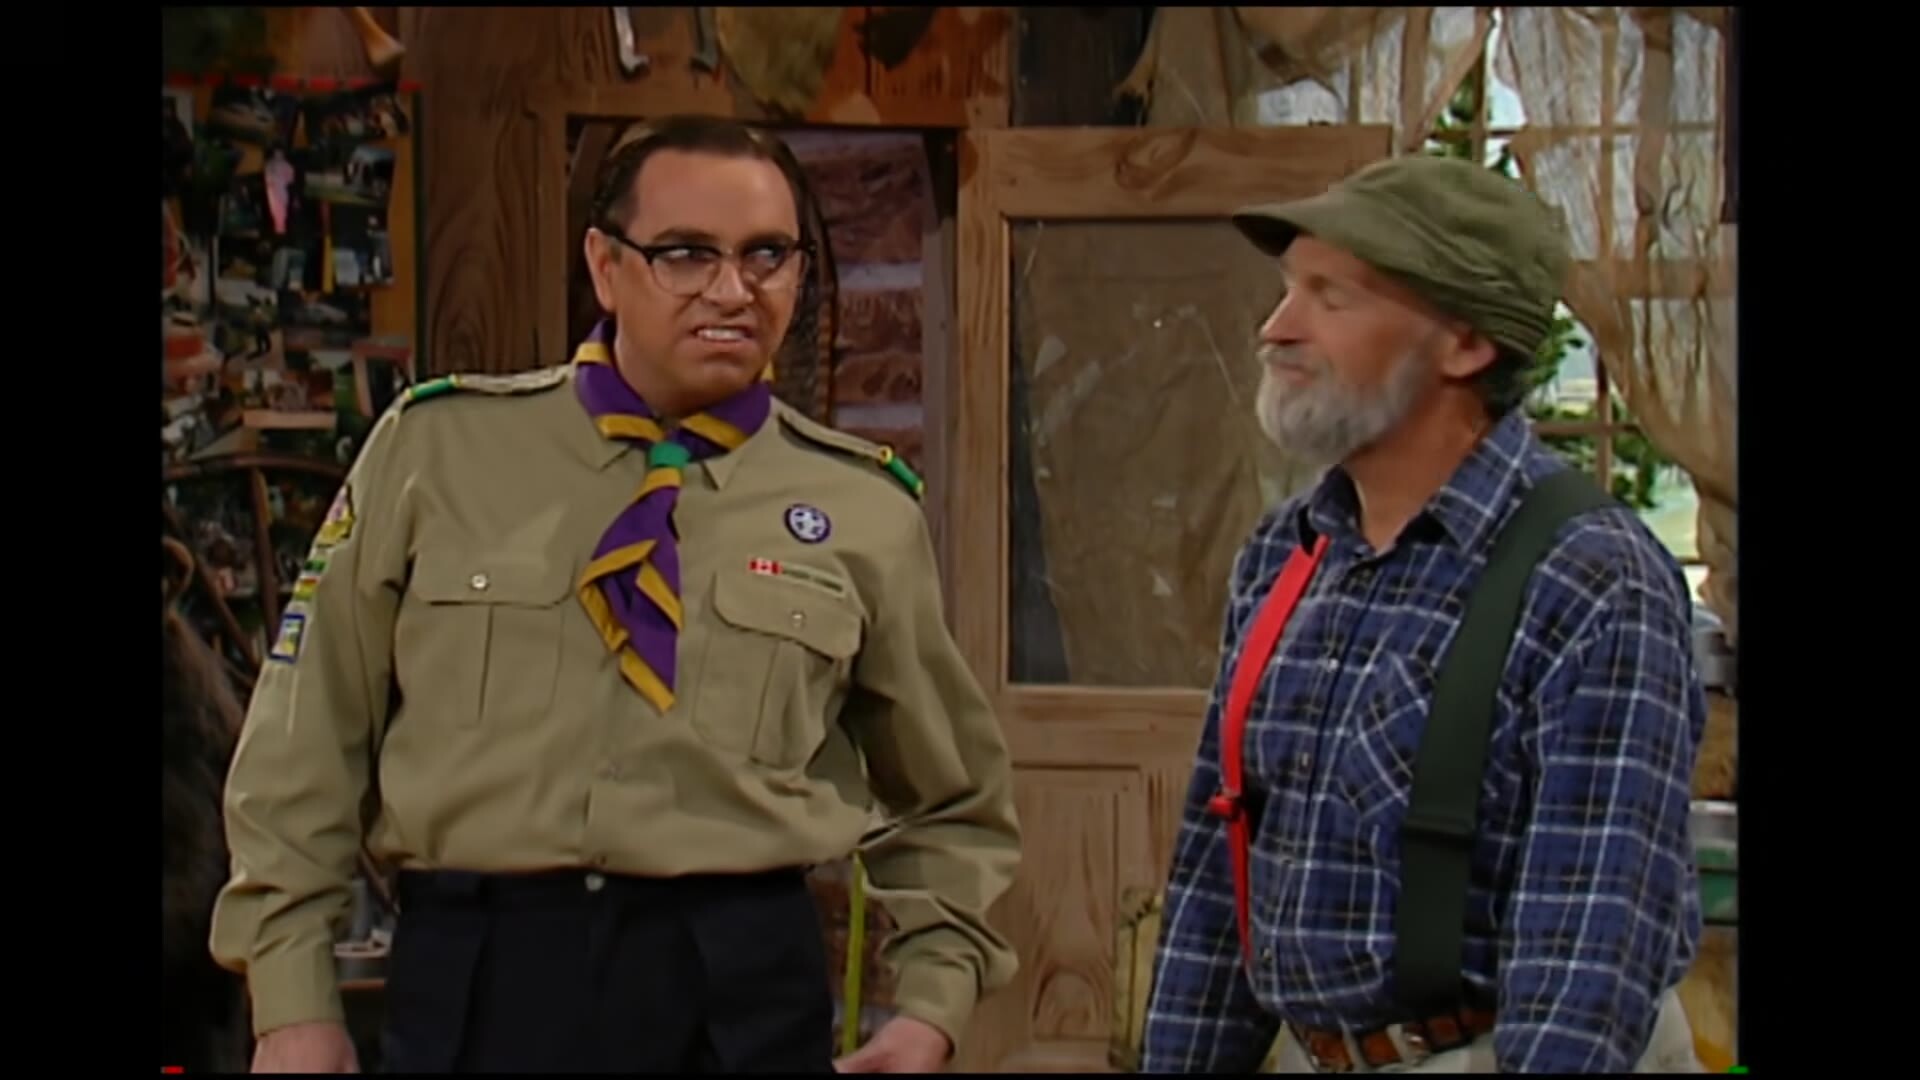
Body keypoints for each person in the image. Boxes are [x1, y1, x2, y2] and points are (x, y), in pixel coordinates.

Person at [210, 114, 1021, 1074]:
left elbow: (951, 797)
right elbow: (304, 745)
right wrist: (292, 1003)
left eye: (768, 255)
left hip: (742, 995)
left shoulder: (861, 509)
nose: (734, 290)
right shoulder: (437, 453)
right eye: (686, 254)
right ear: (606, 266)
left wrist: (931, 1007)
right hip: (481, 983)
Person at [1139, 155, 1708, 1073]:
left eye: (1331, 296)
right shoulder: (1286, 556)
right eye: (1288, 289)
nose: (1276, 329)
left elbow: (1589, 961)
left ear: (1465, 344)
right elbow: (1214, 886)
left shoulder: (1591, 580)